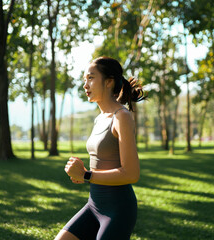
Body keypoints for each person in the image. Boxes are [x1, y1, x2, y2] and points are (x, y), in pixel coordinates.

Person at [55, 56, 146, 240]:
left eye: (90, 78)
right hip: (94, 205)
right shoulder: (100, 118)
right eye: (84, 80)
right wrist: (83, 173)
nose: (85, 85)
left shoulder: (122, 117)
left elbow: (131, 173)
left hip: (118, 210)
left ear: (109, 82)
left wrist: (87, 176)